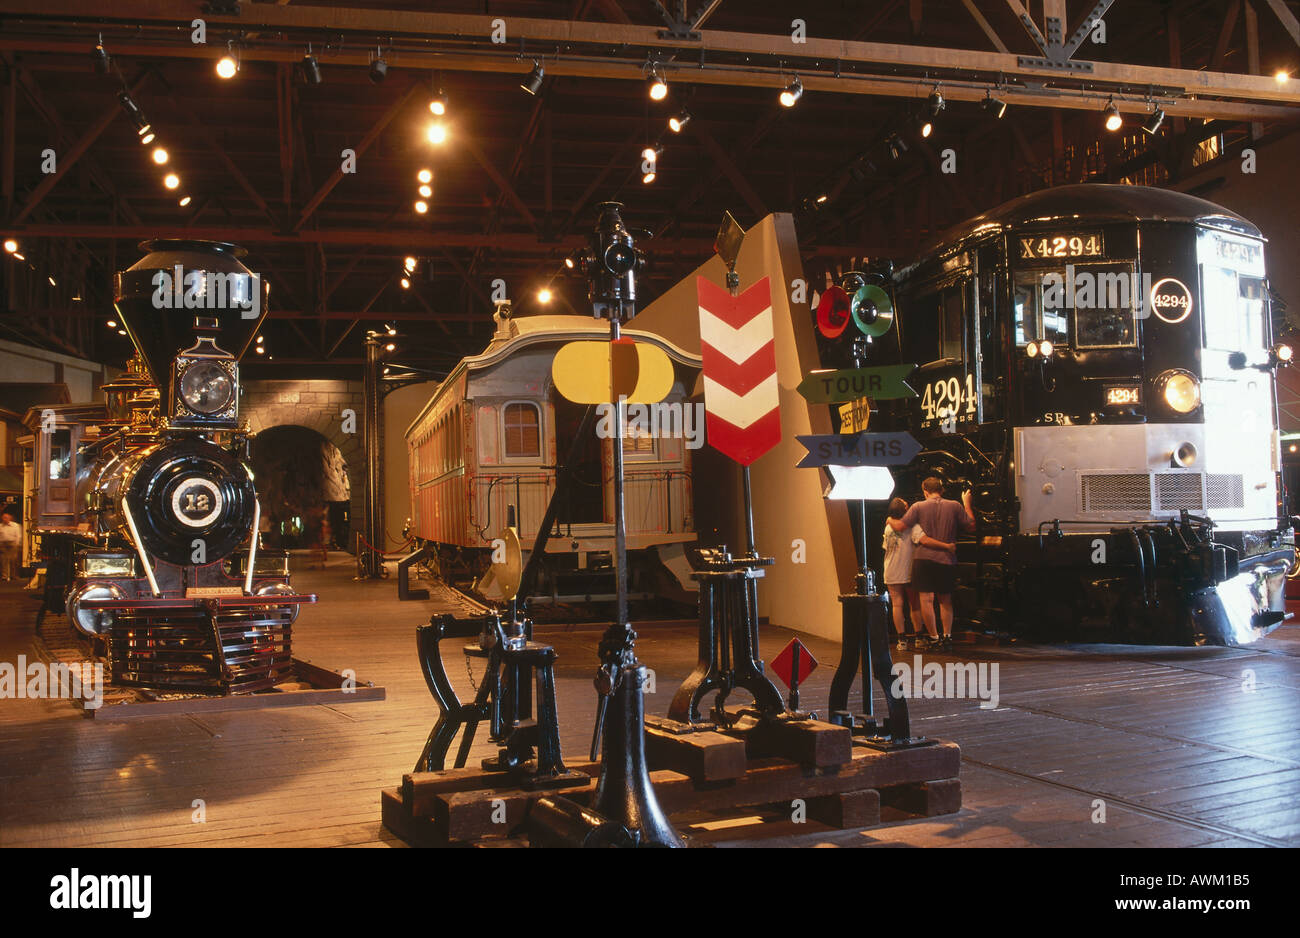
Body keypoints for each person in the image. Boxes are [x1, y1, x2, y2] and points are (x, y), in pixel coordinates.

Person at [887, 478, 975, 649]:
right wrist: (967, 503)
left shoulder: (918, 506)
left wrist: (890, 520)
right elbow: (971, 525)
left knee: (926, 600)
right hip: (946, 559)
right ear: (941, 490)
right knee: (945, 600)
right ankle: (947, 636)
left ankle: (934, 638)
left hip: (923, 559)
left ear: (925, 491)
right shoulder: (955, 505)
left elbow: (900, 526)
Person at [882, 498, 927, 649]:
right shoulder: (911, 526)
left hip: (891, 570)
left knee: (897, 604)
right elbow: (919, 541)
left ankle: (902, 640)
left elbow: (885, 548)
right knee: (914, 604)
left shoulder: (888, 527)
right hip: (908, 569)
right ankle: (919, 637)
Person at [0, 510, 22, 581]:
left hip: (12, 544)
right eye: (3, 518)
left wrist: (17, 543)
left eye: (6, 517)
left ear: (10, 518)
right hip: (3, 544)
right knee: (4, 561)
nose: (4, 519)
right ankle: (4, 576)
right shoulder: (0, 526)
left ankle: (13, 575)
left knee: (13, 560)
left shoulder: (15, 525)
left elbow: (18, 535)